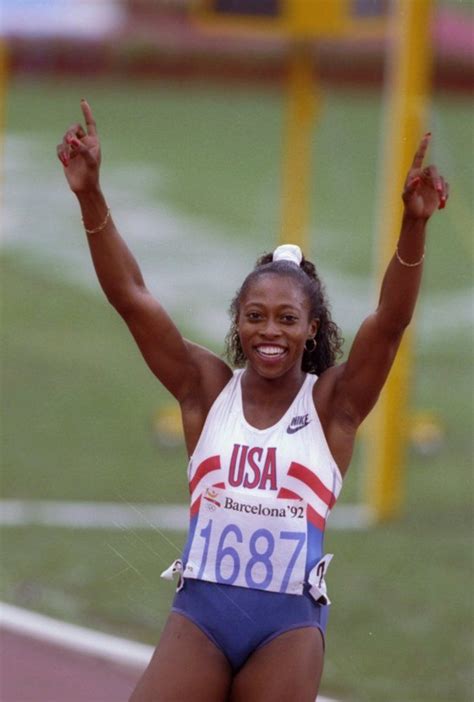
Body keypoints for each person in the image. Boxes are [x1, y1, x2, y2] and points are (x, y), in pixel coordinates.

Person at [57, 101, 448, 702]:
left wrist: (414, 224)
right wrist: (90, 195)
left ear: (312, 328)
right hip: (200, 619)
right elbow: (133, 298)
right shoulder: (206, 389)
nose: (271, 332)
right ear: (237, 324)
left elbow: (390, 324)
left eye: (288, 319)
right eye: (255, 317)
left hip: (286, 631)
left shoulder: (333, 407)